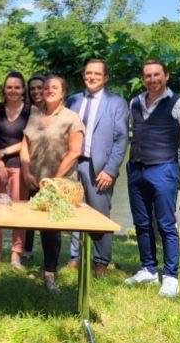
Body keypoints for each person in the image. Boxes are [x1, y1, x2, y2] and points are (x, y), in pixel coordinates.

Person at [124, 59, 180, 298]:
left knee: (166, 224)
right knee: (142, 222)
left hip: (165, 169)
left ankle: (171, 277)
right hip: (136, 168)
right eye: (148, 76)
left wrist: (174, 165)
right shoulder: (134, 102)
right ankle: (147, 269)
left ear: (167, 76)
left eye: (157, 75)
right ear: (143, 78)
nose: (152, 79)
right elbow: (132, 132)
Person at [20, 75, 84, 292]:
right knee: (30, 222)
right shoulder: (35, 114)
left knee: (51, 231)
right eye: (46, 87)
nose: (48, 90)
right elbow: (25, 144)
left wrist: (55, 179)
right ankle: (24, 260)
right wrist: (26, 170)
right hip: (34, 180)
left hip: (59, 184)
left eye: (54, 87)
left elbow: (75, 151)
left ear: (63, 91)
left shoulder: (71, 118)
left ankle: (50, 274)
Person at [66, 59, 129, 277]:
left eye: (97, 74)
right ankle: (75, 257)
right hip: (73, 165)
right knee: (74, 211)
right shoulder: (72, 100)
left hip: (99, 167)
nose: (92, 77)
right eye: (88, 73)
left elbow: (121, 140)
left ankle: (101, 261)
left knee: (100, 215)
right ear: (83, 75)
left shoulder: (116, 103)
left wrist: (111, 170)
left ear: (106, 78)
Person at [0, 71, 30, 269]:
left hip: (19, 167)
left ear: (23, 90)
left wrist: (3, 153)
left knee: (19, 210)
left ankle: (15, 255)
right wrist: (0, 162)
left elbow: (28, 141)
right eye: (9, 87)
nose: (13, 90)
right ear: (4, 89)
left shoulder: (31, 111)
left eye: (17, 87)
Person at [22, 74, 46, 261]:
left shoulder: (56, 111)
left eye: (40, 87)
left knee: (48, 215)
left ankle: (50, 260)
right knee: (27, 212)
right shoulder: (27, 111)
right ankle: (26, 251)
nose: (36, 91)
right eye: (33, 89)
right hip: (28, 168)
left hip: (50, 171)